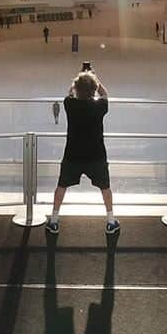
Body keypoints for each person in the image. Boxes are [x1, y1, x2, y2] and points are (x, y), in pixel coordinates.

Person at [47, 68, 119, 235]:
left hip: (73, 154)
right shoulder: (99, 106)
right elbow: (105, 94)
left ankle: (54, 220)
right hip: (96, 155)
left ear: (77, 88)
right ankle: (111, 221)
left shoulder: (70, 105)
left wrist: (79, 80)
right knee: (105, 188)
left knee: (61, 186)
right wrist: (95, 78)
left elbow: (69, 92)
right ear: (94, 89)